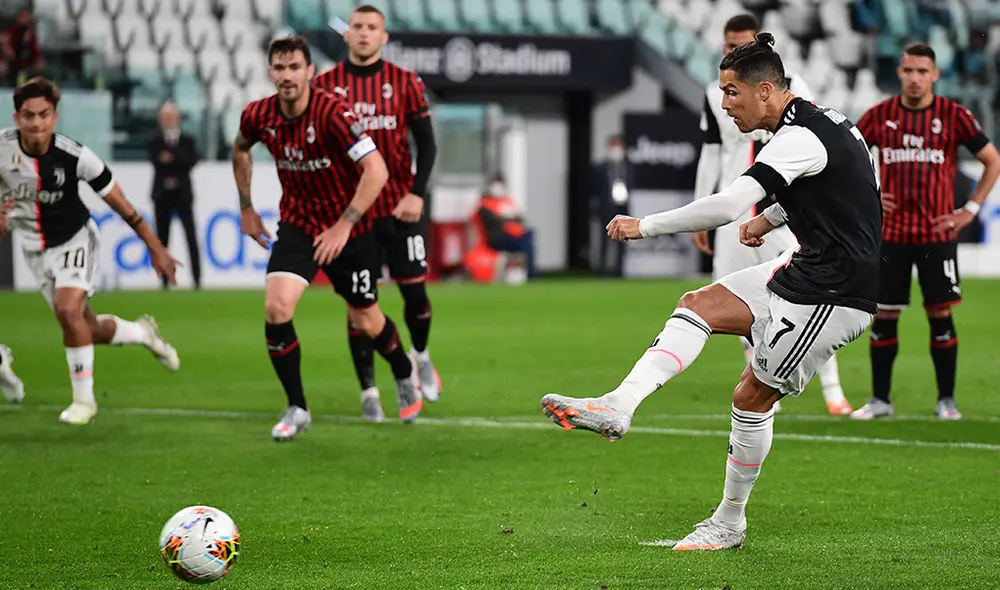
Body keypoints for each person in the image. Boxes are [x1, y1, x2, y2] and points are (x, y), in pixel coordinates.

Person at [541, 33, 881, 550]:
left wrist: (644, 226)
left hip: (834, 293)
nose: (724, 105)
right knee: (696, 305)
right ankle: (618, 404)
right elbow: (847, 190)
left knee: (751, 395)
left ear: (765, 90)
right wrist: (772, 217)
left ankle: (729, 523)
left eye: (731, 93)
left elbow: (726, 206)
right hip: (806, 265)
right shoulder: (822, 124)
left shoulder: (799, 138)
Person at [234, 36, 420, 441]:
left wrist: (345, 224)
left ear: (309, 72)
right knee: (276, 309)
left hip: (348, 229)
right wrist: (247, 207)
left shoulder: (334, 113)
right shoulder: (258, 115)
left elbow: (377, 170)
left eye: (294, 67)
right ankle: (297, 407)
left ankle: (404, 370)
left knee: (367, 319)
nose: (286, 76)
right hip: (299, 225)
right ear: (270, 73)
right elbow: (241, 149)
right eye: (279, 68)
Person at [693, 13, 850, 416]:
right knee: (735, 302)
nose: (733, 51)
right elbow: (711, 152)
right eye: (728, 45)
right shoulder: (716, 93)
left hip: (783, 210)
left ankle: (833, 392)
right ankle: (759, 386)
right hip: (733, 210)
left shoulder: (791, 86)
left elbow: (818, 136)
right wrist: (703, 206)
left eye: (740, 44)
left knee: (807, 297)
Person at [0, 77, 181, 425]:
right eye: (28, 115)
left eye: (44, 114)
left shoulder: (76, 156)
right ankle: (143, 334)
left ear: (55, 116)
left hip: (74, 239)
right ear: (16, 116)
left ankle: (85, 402)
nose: (36, 123)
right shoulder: (2, 151)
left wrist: (156, 248)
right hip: (34, 250)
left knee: (68, 312)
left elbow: (123, 206)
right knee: (87, 327)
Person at [852, 43, 1000, 420]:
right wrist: (869, 196)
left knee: (940, 316)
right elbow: (845, 158)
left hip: (937, 235)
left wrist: (970, 210)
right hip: (892, 236)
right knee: (884, 316)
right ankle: (880, 400)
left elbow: (991, 160)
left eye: (922, 71)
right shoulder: (879, 115)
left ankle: (946, 402)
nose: (915, 78)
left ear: (935, 75)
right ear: (899, 73)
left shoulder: (954, 115)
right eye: (908, 71)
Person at [314, 4, 440, 421]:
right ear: (346, 34)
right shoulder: (325, 85)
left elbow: (427, 142)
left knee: (416, 293)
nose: (364, 33)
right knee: (360, 305)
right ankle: (369, 391)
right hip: (353, 215)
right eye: (358, 27)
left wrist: (417, 194)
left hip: (401, 207)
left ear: (384, 37)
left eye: (373, 27)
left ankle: (419, 355)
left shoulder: (404, 82)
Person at [149, 102, 201, 289]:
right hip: (162, 194)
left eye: (171, 117)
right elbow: (156, 160)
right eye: (165, 117)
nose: (168, 121)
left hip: (183, 194)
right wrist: (178, 159)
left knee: (191, 237)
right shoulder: (155, 141)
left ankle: (197, 279)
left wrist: (171, 159)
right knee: (162, 239)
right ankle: (164, 280)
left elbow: (191, 160)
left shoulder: (187, 140)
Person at [473, 174, 536, 281]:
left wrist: (507, 220)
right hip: (497, 238)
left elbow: (520, 218)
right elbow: (494, 221)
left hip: (513, 236)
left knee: (529, 235)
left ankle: (527, 274)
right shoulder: (485, 204)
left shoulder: (508, 202)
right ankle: (532, 275)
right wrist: (508, 220)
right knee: (526, 243)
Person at [592, 135, 631, 277]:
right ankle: (602, 270)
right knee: (604, 240)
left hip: (622, 207)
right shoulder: (601, 167)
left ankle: (619, 270)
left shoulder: (627, 167)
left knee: (622, 239)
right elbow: (595, 189)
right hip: (606, 208)